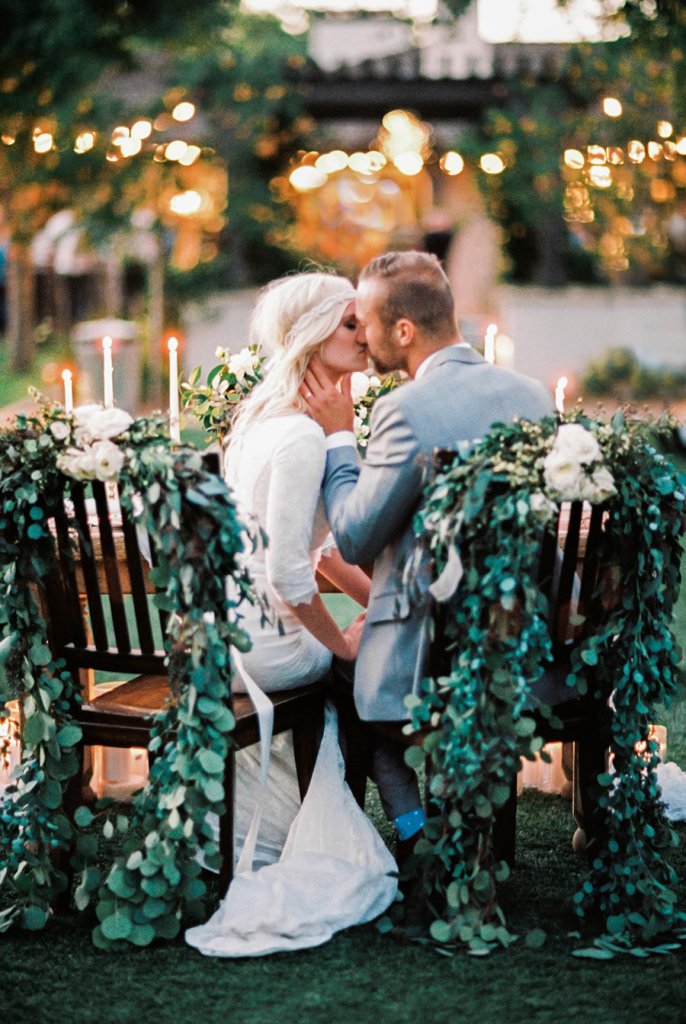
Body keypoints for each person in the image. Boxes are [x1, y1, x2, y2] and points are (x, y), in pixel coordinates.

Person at [301, 250, 555, 856]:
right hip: (524, 660)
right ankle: (444, 830)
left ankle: (413, 833)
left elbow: (357, 538)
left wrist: (339, 437)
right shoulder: (535, 397)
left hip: (426, 668)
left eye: (365, 321)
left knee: (337, 667)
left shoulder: (404, 410)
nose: (361, 334)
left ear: (404, 331)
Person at [186, 271, 398, 959]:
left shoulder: (261, 419)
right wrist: (344, 647)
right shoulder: (304, 438)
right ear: (311, 338)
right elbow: (287, 576)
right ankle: (414, 827)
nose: (364, 335)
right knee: (367, 674)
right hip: (266, 647)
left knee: (372, 645)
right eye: (349, 326)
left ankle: (387, 816)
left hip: (232, 636)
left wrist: (381, 611)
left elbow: (322, 552)